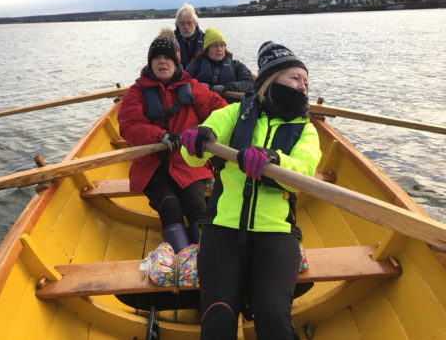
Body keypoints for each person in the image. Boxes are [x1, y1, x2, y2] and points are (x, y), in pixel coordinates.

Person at [180, 41, 322, 339]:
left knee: (272, 314)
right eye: (295, 78)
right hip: (222, 227)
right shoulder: (236, 112)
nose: (303, 87)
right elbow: (193, 154)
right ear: (271, 80)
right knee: (218, 318)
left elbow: (304, 171)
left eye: (306, 81)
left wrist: (274, 159)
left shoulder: (306, 129)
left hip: (276, 233)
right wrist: (197, 136)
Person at [117, 33, 227, 254]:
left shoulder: (193, 87)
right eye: (156, 58)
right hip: (151, 163)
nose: (162, 62)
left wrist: (209, 130)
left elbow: (223, 111)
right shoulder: (136, 92)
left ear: (176, 62)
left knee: (197, 208)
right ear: (150, 63)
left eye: (167, 58)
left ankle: (205, 259)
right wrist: (161, 136)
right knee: (171, 209)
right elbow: (129, 126)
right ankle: (184, 260)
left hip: (189, 161)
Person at [186, 27, 254, 101]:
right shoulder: (195, 64)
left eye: (222, 45)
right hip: (203, 103)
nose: (219, 49)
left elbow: (249, 83)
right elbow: (184, 81)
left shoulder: (237, 65)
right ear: (207, 49)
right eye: (215, 45)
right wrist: (198, 86)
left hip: (229, 106)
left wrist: (228, 87)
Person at [174, 3, 204, 69]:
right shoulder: (170, 40)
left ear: (195, 23)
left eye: (189, 23)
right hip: (179, 77)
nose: (186, 27)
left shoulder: (205, 38)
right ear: (177, 24)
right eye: (182, 23)